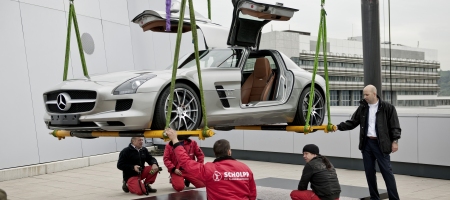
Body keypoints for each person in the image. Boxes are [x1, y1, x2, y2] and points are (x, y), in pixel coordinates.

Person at [334, 84, 401, 200]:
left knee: (387, 173)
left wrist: (395, 141)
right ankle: (374, 198)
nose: (364, 97)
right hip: (367, 144)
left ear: (374, 94)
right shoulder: (363, 108)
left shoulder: (388, 108)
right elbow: (352, 122)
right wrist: (338, 127)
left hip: (381, 145)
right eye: (363, 94)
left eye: (367, 94)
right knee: (369, 174)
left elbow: (395, 126)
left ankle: (394, 198)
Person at [165, 128, 257, 200]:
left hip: (190, 170)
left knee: (201, 184)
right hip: (178, 171)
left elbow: (185, 161)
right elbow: (252, 193)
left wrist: (175, 140)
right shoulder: (245, 168)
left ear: (215, 153)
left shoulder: (208, 170)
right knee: (179, 186)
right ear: (229, 152)